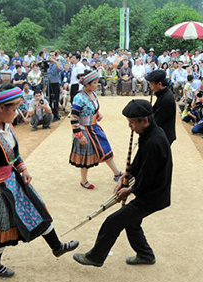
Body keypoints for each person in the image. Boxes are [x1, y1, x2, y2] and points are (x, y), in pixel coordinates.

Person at [0, 85, 79, 278]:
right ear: (1, 108)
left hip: (12, 179)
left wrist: (23, 169)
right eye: (15, 107)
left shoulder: (6, 124)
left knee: (36, 209)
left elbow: (12, 153)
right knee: (1, 225)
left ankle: (57, 246)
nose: (17, 111)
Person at [73, 99, 173, 267]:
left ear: (145, 121)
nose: (130, 126)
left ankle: (96, 257)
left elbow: (147, 176)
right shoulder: (148, 135)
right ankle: (146, 255)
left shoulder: (154, 141)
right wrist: (125, 177)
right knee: (131, 222)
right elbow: (139, 161)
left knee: (113, 221)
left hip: (153, 195)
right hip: (152, 191)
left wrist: (130, 189)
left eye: (132, 123)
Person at [69, 70, 122, 189]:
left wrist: (98, 114)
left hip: (94, 128)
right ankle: (83, 180)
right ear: (86, 84)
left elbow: (93, 109)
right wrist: (79, 135)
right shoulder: (79, 97)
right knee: (86, 155)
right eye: (94, 83)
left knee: (105, 148)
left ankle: (117, 173)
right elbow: (74, 117)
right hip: (84, 130)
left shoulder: (93, 93)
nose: (97, 84)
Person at [146, 70, 176, 144]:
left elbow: (157, 120)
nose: (150, 86)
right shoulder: (162, 94)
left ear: (159, 84)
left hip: (164, 136)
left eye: (151, 84)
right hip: (161, 134)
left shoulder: (166, 99)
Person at [48, 51, 62, 121]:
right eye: (50, 55)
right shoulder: (48, 64)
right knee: (49, 99)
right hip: (49, 84)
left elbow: (60, 69)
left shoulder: (57, 63)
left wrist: (55, 61)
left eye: (53, 55)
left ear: (55, 56)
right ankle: (51, 115)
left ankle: (56, 115)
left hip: (55, 84)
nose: (51, 57)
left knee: (55, 100)